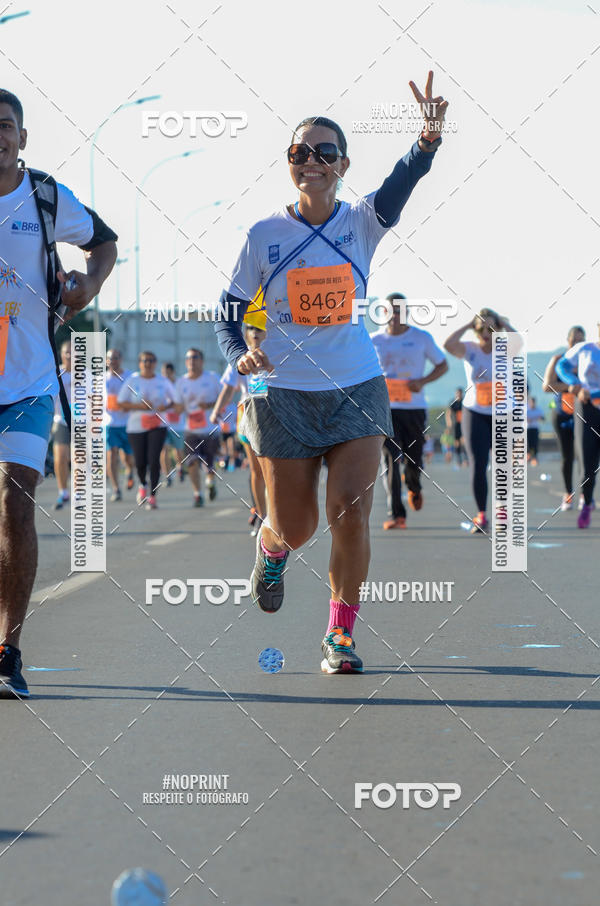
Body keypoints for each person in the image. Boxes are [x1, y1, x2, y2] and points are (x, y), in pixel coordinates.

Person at [215, 72, 447, 673]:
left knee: (350, 509)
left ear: (343, 164)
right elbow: (231, 310)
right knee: (297, 525)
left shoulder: (361, 223)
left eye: (323, 153)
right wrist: (239, 351)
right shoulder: (263, 235)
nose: (310, 162)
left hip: (357, 388)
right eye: (299, 153)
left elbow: (402, 185)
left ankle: (339, 635)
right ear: (289, 163)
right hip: (284, 393)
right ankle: (272, 547)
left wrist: (425, 142)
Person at [0, 88, 117, 697]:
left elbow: (104, 243)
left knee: (14, 501)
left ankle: (7, 649)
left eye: (5, 126)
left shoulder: (44, 197)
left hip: (27, 381)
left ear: (22, 137)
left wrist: (88, 285)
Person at [371, 294, 448, 529]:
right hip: (384, 409)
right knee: (391, 459)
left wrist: (422, 381)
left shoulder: (421, 338)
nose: (395, 316)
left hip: (413, 407)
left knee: (413, 458)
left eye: (399, 311)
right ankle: (397, 515)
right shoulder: (373, 340)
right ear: (382, 314)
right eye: (390, 311)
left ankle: (414, 486)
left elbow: (442, 364)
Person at [444, 308, 517, 534]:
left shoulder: (505, 349)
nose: (486, 332)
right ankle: (482, 515)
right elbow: (448, 344)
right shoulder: (470, 349)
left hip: (503, 412)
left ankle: (503, 513)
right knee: (478, 464)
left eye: (491, 328)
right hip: (474, 411)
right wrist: (468, 324)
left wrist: (503, 324)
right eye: (482, 328)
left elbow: (519, 342)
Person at [210, 324, 267, 535]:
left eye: (260, 328)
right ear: (245, 334)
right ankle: (262, 516)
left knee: (275, 472)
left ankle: (277, 518)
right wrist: (216, 411)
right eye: (251, 328)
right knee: (257, 471)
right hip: (249, 417)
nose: (255, 332)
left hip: (275, 418)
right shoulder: (239, 358)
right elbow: (228, 388)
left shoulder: (278, 355)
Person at [555, 325, 600, 529]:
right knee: (588, 465)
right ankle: (587, 502)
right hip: (587, 406)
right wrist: (576, 384)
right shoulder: (585, 349)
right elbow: (562, 366)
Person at [117, 351, 172, 510]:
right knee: (140, 462)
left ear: (155, 363)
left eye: (151, 360)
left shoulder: (162, 381)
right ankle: (142, 484)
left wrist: (166, 406)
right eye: (144, 361)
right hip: (136, 426)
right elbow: (121, 403)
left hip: (158, 424)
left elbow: (175, 401)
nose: (148, 363)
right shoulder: (133, 380)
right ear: (140, 363)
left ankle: (153, 496)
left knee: (154, 460)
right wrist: (139, 406)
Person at [542, 326, 586, 511]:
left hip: (583, 414)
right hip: (561, 414)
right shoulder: (558, 360)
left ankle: (586, 494)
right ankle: (568, 494)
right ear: (568, 341)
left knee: (585, 456)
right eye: (573, 340)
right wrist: (568, 388)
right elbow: (547, 386)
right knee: (567, 457)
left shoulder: (588, 361)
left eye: (580, 340)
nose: (576, 343)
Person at [173, 349, 222, 507]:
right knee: (192, 461)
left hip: (211, 429)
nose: (191, 361)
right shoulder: (181, 382)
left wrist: (208, 405)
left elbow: (224, 399)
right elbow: (177, 406)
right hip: (191, 430)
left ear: (202, 361)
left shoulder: (213, 378)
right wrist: (182, 408)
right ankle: (197, 494)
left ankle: (210, 482)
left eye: (195, 358)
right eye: (188, 358)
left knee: (210, 463)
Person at [105, 348, 134, 502]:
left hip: (128, 423)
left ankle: (130, 470)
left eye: (115, 358)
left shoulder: (129, 376)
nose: (113, 361)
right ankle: (116, 489)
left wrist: (126, 405)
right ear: (105, 361)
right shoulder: (102, 379)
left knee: (129, 458)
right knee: (112, 454)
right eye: (110, 358)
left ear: (121, 359)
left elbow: (137, 396)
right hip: (110, 424)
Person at [50, 341, 72, 510]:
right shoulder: (55, 372)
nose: (70, 355)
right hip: (61, 421)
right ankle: (63, 491)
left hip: (82, 423)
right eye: (67, 352)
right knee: (60, 457)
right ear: (62, 354)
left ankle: (79, 493)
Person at [160, 362, 185, 486]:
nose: (165, 375)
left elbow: (181, 402)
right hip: (163, 423)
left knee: (178, 451)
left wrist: (169, 405)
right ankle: (167, 475)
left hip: (178, 424)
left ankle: (180, 468)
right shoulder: (160, 385)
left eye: (167, 373)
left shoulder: (179, 384)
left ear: (172, 372)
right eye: (163, 373)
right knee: (163, 449)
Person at [445, 387, 466, 466]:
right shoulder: (452, 402)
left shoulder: (464, 402)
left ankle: (465, 459)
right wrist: (449, 424)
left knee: (464, 441)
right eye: (457, 393)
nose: (459, 395)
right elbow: (448, 413)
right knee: (456, 442)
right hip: (455, 425)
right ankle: (458, 460)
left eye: (460, 393)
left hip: (463, 424)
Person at [526, 396, 544, 466]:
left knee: (535, 443)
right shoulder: (526, 409)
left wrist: (539, 418)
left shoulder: (538, 409)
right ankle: (528, 456)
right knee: (528, 443)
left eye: (533, 402)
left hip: (535, 428)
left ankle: (534, 458)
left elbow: (543, 418)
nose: (532, 404)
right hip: (527, 429)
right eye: (531, 402)